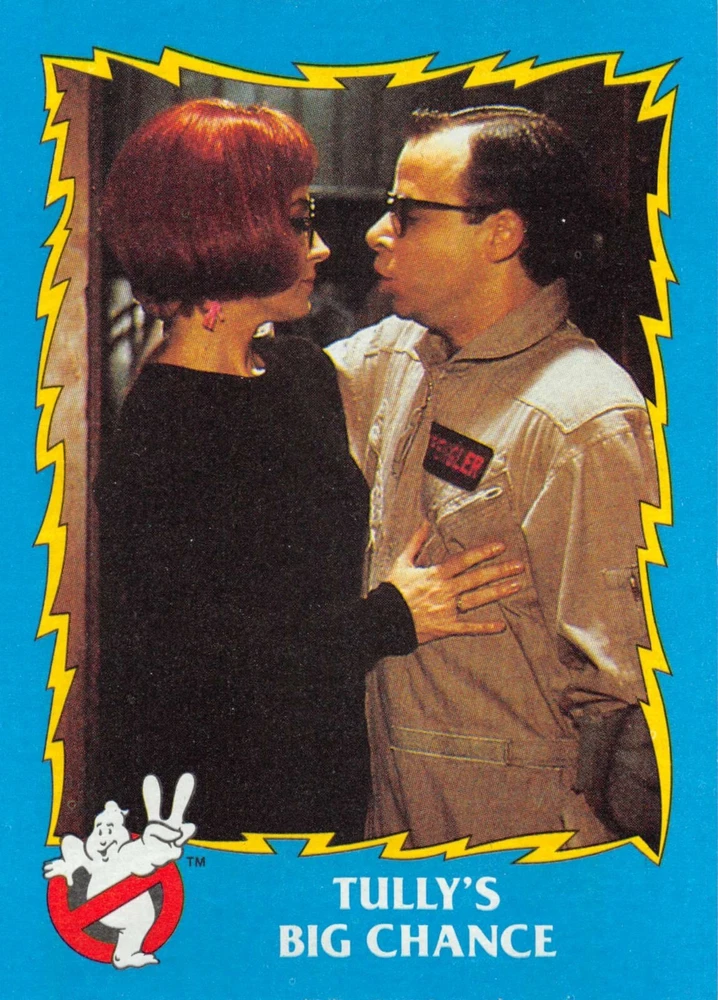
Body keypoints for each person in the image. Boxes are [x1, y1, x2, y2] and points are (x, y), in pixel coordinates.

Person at [93, 99, 525, 844]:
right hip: (217, 810)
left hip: (326, 785)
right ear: (225, 232)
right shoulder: (164, 431)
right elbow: (204, 671)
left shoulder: (298, 371)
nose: (321, 248)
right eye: (299, 222)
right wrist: (392, 616)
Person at [327, 105, 661, 850]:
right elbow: (251, 387)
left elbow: (626, 709)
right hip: (398, 827)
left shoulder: (583, 418)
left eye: (408, 214)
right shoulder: (397, 358)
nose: (378, 233)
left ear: (502, 234)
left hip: (518, 845)